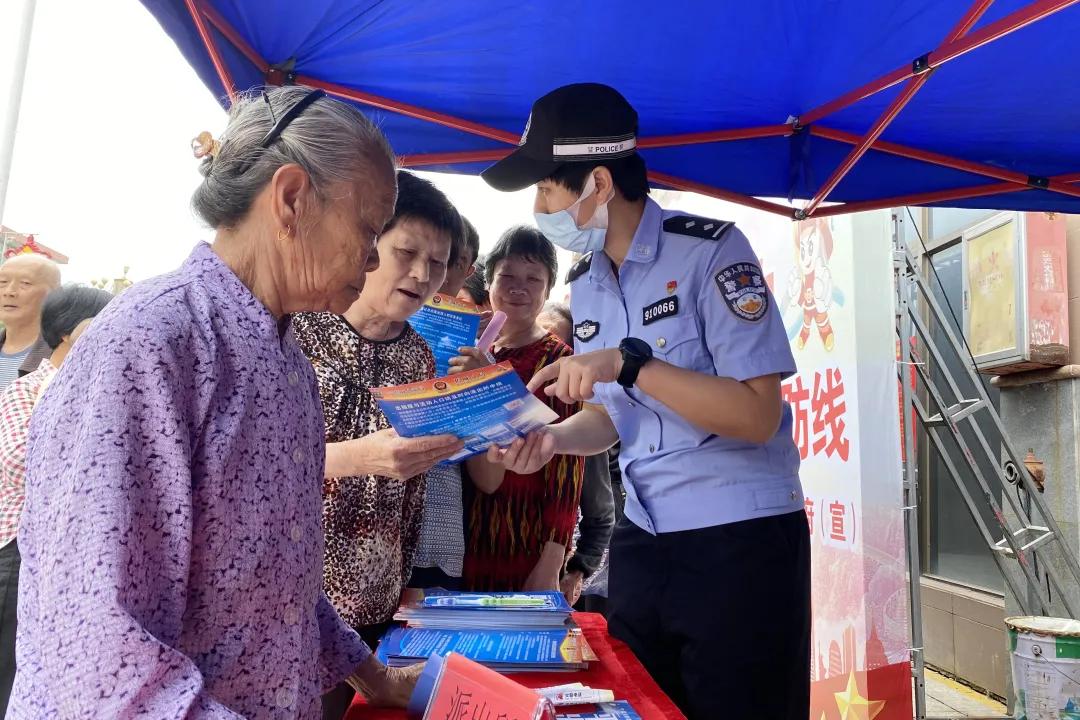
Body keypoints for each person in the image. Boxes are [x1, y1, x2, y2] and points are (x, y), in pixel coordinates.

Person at [10, 86, 421, 718]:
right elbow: (96, 645)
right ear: (290, 199)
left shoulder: (288, 365)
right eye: (368, 230)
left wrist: (371, 675)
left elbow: (278, 578)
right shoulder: (148, 341)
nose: (372, 258)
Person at [481, 83, 809, 720]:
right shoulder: (589, 286)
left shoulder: (712, 252)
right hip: (644, 538)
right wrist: (551, 439)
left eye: (546, 187)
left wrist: (631, 365)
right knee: (640, 707)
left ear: (597, 183)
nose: (540, 204)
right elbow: (612, 420)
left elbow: (756, 414)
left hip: (738, 542)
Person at [292, 169, 472, 720]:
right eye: (406, 252)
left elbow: (418, 489)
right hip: (294, 593)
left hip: (377, 593)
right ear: (368, 244)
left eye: (437, 263)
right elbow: (251, 465)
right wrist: (356, 457)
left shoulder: (418, 355)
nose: (422, 275)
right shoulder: (297, 326)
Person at [450, 226, 584, 592]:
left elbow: (568, 472)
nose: (517, 288)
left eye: (533, 278)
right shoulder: (467, 349)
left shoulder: (557, 360)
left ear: (548, 289)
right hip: (458, 530)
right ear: (488, 281)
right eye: (506, 276)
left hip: (522, 535)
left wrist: (551, 563)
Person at [0, 284, 113, 715]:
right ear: (68, 331)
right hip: (15, 553)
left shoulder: (97, 392)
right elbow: (17, 462)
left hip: (61, 560)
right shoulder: (30, 390)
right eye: (100, 321)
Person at [410, 213, 483, 592]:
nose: (432, 275)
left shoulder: (479, 351)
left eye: (450, 262)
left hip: (443, 511)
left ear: (466, 269)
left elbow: (488, 475)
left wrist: (479, 384)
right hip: (374, 530)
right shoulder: (385, 324)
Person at [537, 301, 615, 608]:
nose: (542, 346)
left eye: (553, 339)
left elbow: (601, 514)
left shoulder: (584, 420)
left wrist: (577, 570)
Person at [0, 254, 61, 391]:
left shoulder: (60, 356)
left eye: (25, 283)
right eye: (2, 282)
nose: (9, 292)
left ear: (55, 293)